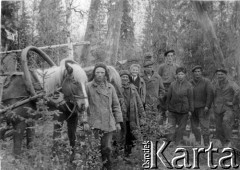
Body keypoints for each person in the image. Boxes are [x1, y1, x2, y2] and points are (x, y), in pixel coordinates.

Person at [86, 62, 123, 170]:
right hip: (94, 122)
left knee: (106, 148)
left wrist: (118, 122)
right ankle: (92, 167)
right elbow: (83, 106)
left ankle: (107, 167)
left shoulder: (110, 87)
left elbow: (116, 106)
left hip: (108, 122)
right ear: (94, 73)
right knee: (93, 148)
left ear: (105, 74)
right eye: (97, 72)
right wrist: (84, 122)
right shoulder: (88, 87)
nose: (100, 75)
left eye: (102, 72)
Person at [119, 70, 146, 156]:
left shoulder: (133, 88)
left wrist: (143, 115)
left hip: (132, 116)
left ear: (129, 78)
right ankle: (120, 153)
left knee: (132, 133)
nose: (124, 79)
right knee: (122, 134)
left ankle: (130, 153)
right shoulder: (117, 89)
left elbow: (139, 102)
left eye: (126, 77)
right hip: (121, 116)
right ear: (120, 78)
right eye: (123, 77)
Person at [166, 67, 194, 145]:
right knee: (171, 127)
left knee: (181, 128)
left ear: (185, 75)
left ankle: (177, 143)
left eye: (182, 74)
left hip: (184, 110)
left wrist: (190, 110)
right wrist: (167, 108)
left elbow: (191, 99)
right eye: (179, 74)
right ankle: (170, 143)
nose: (180, 76)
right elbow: (168, 97)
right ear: (176, 75)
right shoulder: (172, 84)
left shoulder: (189, 85)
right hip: (173, 109)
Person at [213, 68, 240, 147]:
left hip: (228, 108)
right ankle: (222, 143)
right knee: (218, 126)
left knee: (226, 122)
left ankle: (228, 141)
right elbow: (212, 93)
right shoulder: (215, 84)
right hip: (218, 108)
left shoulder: (231, 83)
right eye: (218, 74)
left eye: (222, 74)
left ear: (225, 75)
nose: (220, 76)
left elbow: (238, 91)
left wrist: (233, 102)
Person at [189, 65, 213, 146]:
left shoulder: (206, 82)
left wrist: (207, 106)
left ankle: (206, 144)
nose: (197, 73)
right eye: (195, 72)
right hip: (193, 108)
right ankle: (198, 142)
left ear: (201, 72)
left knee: (204, 126)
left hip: (203, 108)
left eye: (199, 71)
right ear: (193, 73)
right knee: (194, 127)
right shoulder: (190, 82)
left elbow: (210, 94)